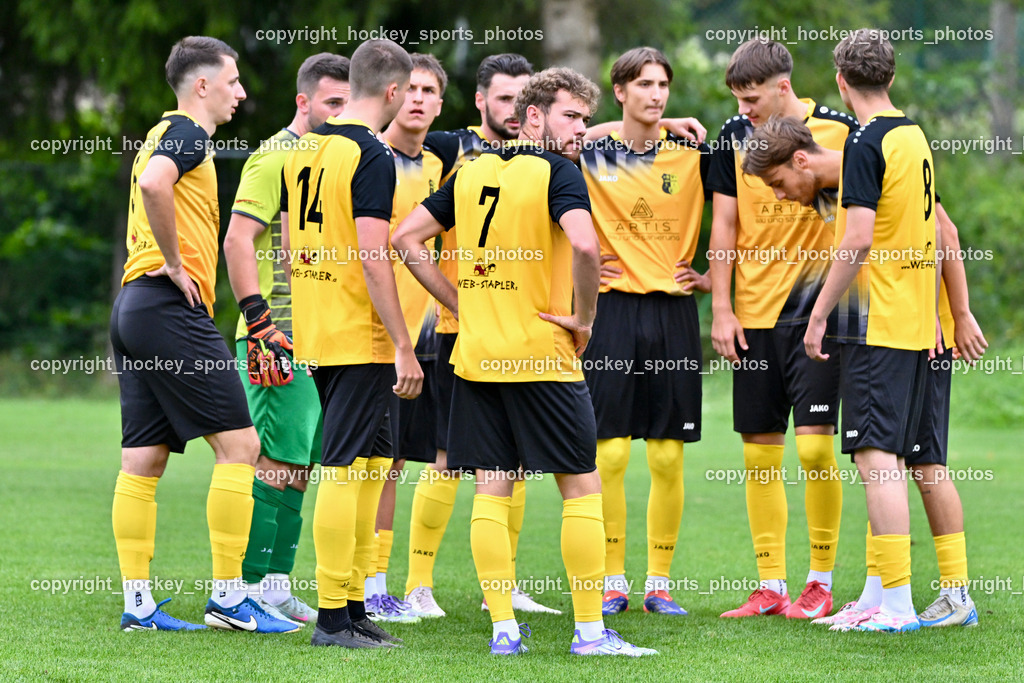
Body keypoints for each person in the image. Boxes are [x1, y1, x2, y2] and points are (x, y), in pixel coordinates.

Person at [393, 66, 657, 657]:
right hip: (542, 355)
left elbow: (406, 239)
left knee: (492, 486)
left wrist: (463, 302)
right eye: (571, 117)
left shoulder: (470, 170)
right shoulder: (558, 173)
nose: (581, 130)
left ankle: (504, 630)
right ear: (533, 117)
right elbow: (586, 245)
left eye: (587, 120)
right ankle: (591, 632)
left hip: (477, 357)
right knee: (581, 487)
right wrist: (585, 319)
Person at [742, 116, 988, 629]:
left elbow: (941, 234)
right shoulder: (869, 165)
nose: (782, 197)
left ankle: (895, 605)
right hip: (916, 327)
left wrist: (958, 313)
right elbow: (938, 230)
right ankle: (915, 595)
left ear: (801, 161)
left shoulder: (862, 165)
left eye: (779, 184)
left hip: (900, 330)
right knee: (916, 463)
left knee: (886, 460)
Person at [110, 35, 295, 633]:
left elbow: (150, 181)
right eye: (234, 81)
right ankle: (228, 599)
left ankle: (138, 605)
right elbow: (153, 186)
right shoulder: (187, 133)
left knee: (143, 458)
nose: (241, 92)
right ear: (202, 85)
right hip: (165, 305)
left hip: (132, 308)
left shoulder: (160, 132)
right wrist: (173, 261)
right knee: (241, 448)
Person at [403, 53, 561, 618]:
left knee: (513, 463)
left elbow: (578, 122)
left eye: (525, 100)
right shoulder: (451, 148)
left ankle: (506, 584)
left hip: (521, 334)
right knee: (447, 459)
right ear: (479, 102)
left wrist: (664, 128)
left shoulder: (541, 158)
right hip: (457, 330)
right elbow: (393, 128)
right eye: (503, 99)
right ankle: (417, 584)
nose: (515, 110)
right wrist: (458, 301)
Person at [705, 39, 857, 620]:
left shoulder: (841, 132)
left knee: (817, 450)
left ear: (783, 88)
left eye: (752, 98)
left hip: (819, 314)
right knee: (759, 453)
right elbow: (723, 224)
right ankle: (770, 586)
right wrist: (722, 307)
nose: (745, 109)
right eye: (738, 100)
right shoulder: (730, 137)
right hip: (753, 315)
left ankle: (819, 583)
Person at [282, 38, 423, 649]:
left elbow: (289, 252)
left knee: (368, 466)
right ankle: (332, 620)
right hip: (359, 336)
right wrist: (402, 342)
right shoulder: (371, 153)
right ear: (392, 92)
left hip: (321, 327)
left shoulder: (304, 148)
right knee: (344, 469)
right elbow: (374, 255)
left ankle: (352, 605)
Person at [803, 29, 940, 633]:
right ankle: (881, 595)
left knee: (876, 458)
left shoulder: (865, 141)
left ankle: (900, 606)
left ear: (840, 80)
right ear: (889, 74)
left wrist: (817, 311)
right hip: (909, 315)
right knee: (883, 457)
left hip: (876, 319)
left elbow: (857, 238)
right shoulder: (913, 134)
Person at [578, 47, 710, 617]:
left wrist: (715, 280)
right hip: (611, 312)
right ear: (621, 92)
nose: (656, 95)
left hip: (673, 312)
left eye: (663, 85)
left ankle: (658, 581)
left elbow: (745, 205)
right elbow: (551, 133)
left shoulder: (696, 153)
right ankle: (612, 581)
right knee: (608, 457)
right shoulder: (592, 152)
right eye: (643, 85)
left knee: (666, 458)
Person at [222, 52, 351, 628]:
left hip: (321, 337)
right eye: (332, 103)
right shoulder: (275, 155)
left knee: (300, 465)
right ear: (303, 102)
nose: (342, 113)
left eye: (349, 103)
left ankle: (275, 587)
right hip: (276, 336)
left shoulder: (333, 159)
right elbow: (237, 240)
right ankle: (242, 590)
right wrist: (258, 323)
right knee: (272, 461)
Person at [364, 53, 449, 626]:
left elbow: (540, 119)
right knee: (370, 462)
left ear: (441, 104)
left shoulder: (445, 162)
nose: (418, 98)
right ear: (393, 93)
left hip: (426, 337)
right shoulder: (368, 156)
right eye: (410, 88)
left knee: (398, 461)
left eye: (429, 91)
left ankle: (380, 584)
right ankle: (363, 586)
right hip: (372, 334)